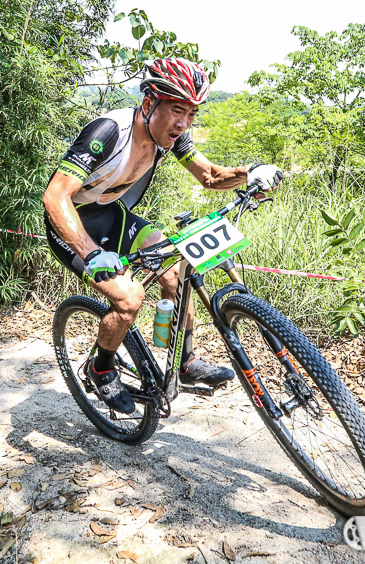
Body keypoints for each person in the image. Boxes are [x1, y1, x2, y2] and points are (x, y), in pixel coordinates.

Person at [42, 58, 284, 414]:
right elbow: (55, 196)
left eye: (191, 113)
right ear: (148, 103)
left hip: (112, 216)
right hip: (72, 224)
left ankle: (184, 363)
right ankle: (101, 368)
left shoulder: (172, 138)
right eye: (176, 110)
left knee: (175, 273)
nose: (183, 123)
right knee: (129, 298)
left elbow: (211, 177)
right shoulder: (109, 132)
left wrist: (249, 173)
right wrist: (91, 253)